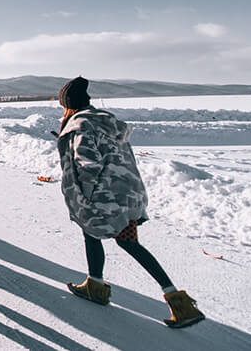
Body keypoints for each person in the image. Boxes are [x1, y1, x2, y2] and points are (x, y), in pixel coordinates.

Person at [56, 76, 205, 328]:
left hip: (104, 199)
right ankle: (95, 284)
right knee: (100, 236)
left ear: (68, 105)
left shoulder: (80, 126)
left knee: (119, 240)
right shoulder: (106, 121)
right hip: (127, 194)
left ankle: (178, 302)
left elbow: (87, 165)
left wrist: (84, 197)